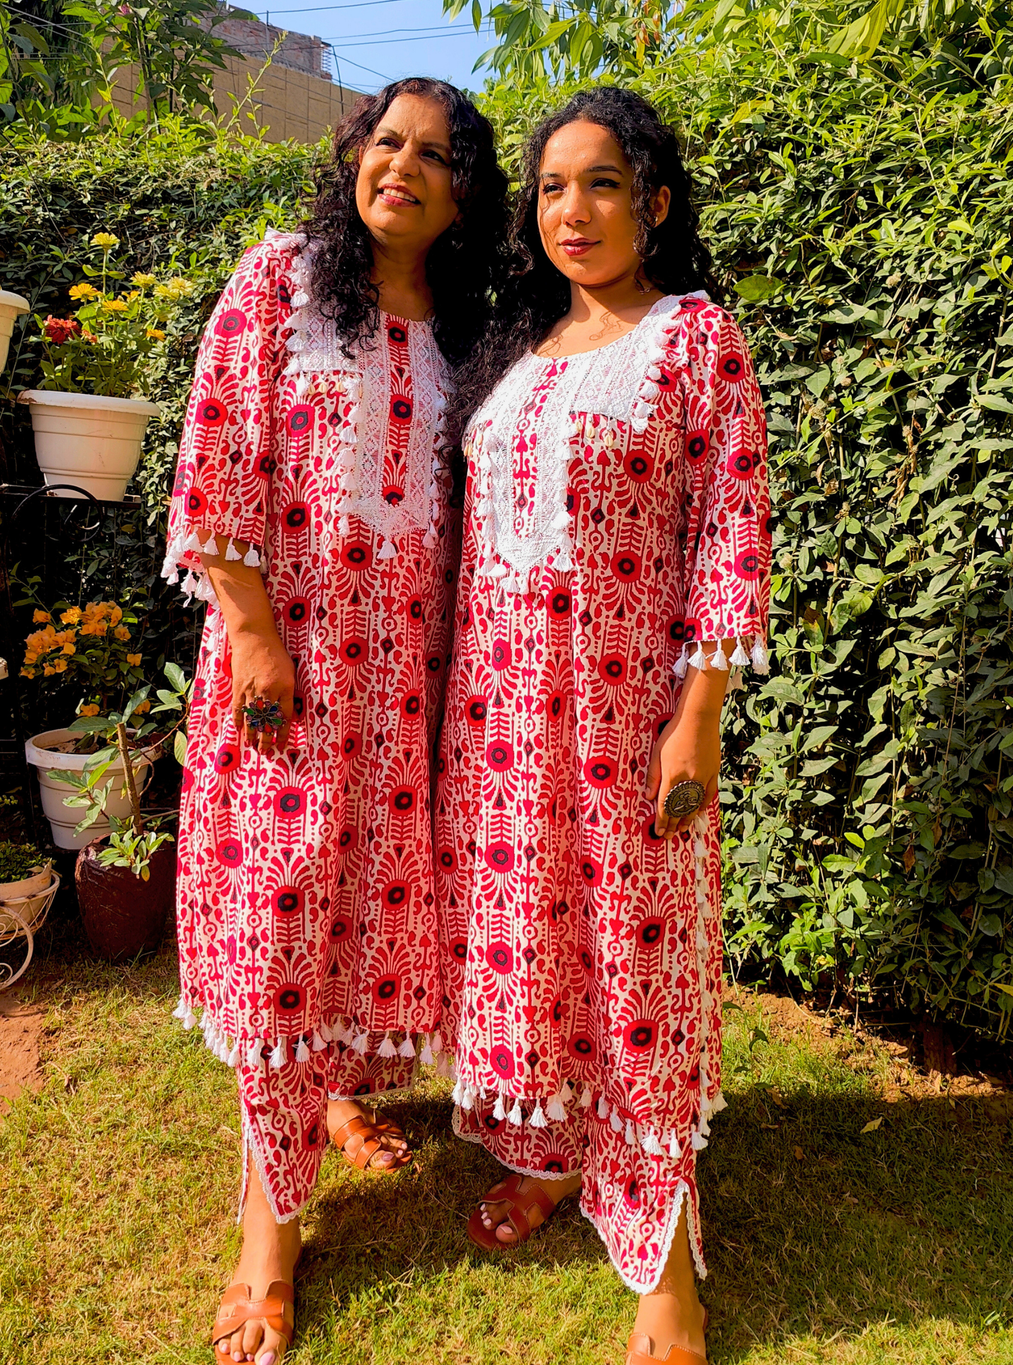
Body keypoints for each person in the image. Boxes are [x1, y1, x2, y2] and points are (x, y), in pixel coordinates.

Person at [163, 77, 509, 1365]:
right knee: (279, 929)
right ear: (353, 157)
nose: (402, 167)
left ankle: (337, 1104)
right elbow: (214, 458)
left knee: (371, 915)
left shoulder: (475, 328)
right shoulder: (280, 280)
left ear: (463, 191)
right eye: (386, 142)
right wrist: (250, 628)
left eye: (435, 155)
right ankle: (267, 1235)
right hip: (289, 680)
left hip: (408, 690)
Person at [435, 87, 770, 1365]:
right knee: (534, 953)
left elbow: (731, 538)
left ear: (656, 204)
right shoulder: (518, 349)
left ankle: (667, 1257)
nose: (572, 211)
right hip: (501, 721)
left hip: (626, 717)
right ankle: (559, 1158)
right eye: (553, 186)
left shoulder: (692, 338)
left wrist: (699, 716)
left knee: (641, 974)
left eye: (604, 184)